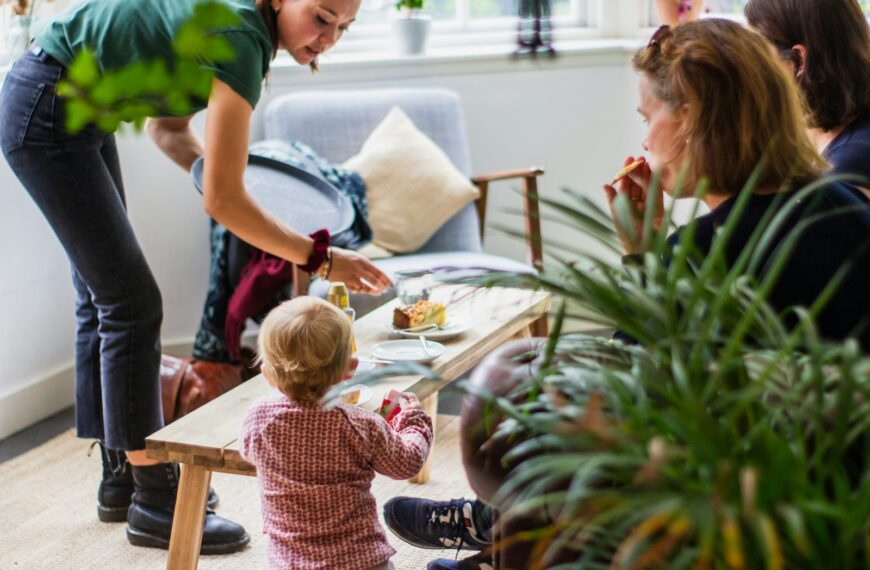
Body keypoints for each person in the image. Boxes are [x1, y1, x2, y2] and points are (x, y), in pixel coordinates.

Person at [385, 19, 870, 569]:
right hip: (842, 483)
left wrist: (642, 250)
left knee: (531, 417)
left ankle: (495, 539)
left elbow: (624, 393)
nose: (644, 139)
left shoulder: (706, 249)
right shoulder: (846, 206)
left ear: (690, 119)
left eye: (648, 116)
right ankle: (493, 544)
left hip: (756, 505)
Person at [0, 0, 391, 553]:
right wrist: (319, 257)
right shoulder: (241, 34)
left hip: (65, 103)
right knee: (130, 304)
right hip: (47, 110)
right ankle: (155, 501)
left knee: (102, 298)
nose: (329, 37)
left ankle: (121, 478)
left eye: (343, 28)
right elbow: (222, 201)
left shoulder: (237, 25)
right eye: (322, 17)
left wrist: (240, 188)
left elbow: (168, 131)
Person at [240, 296, 433, 570]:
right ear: (351, 369)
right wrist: (414, 421)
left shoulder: (257, 418)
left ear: (267, 374)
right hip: (361, 562)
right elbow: (406, 462)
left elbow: (249, 453)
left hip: (291, 563)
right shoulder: (361, 425)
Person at [744, 0, 870, 199]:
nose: (751, 70)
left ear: (799, 61)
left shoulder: (848, 171)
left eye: (757, 56)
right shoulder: (832, 139)